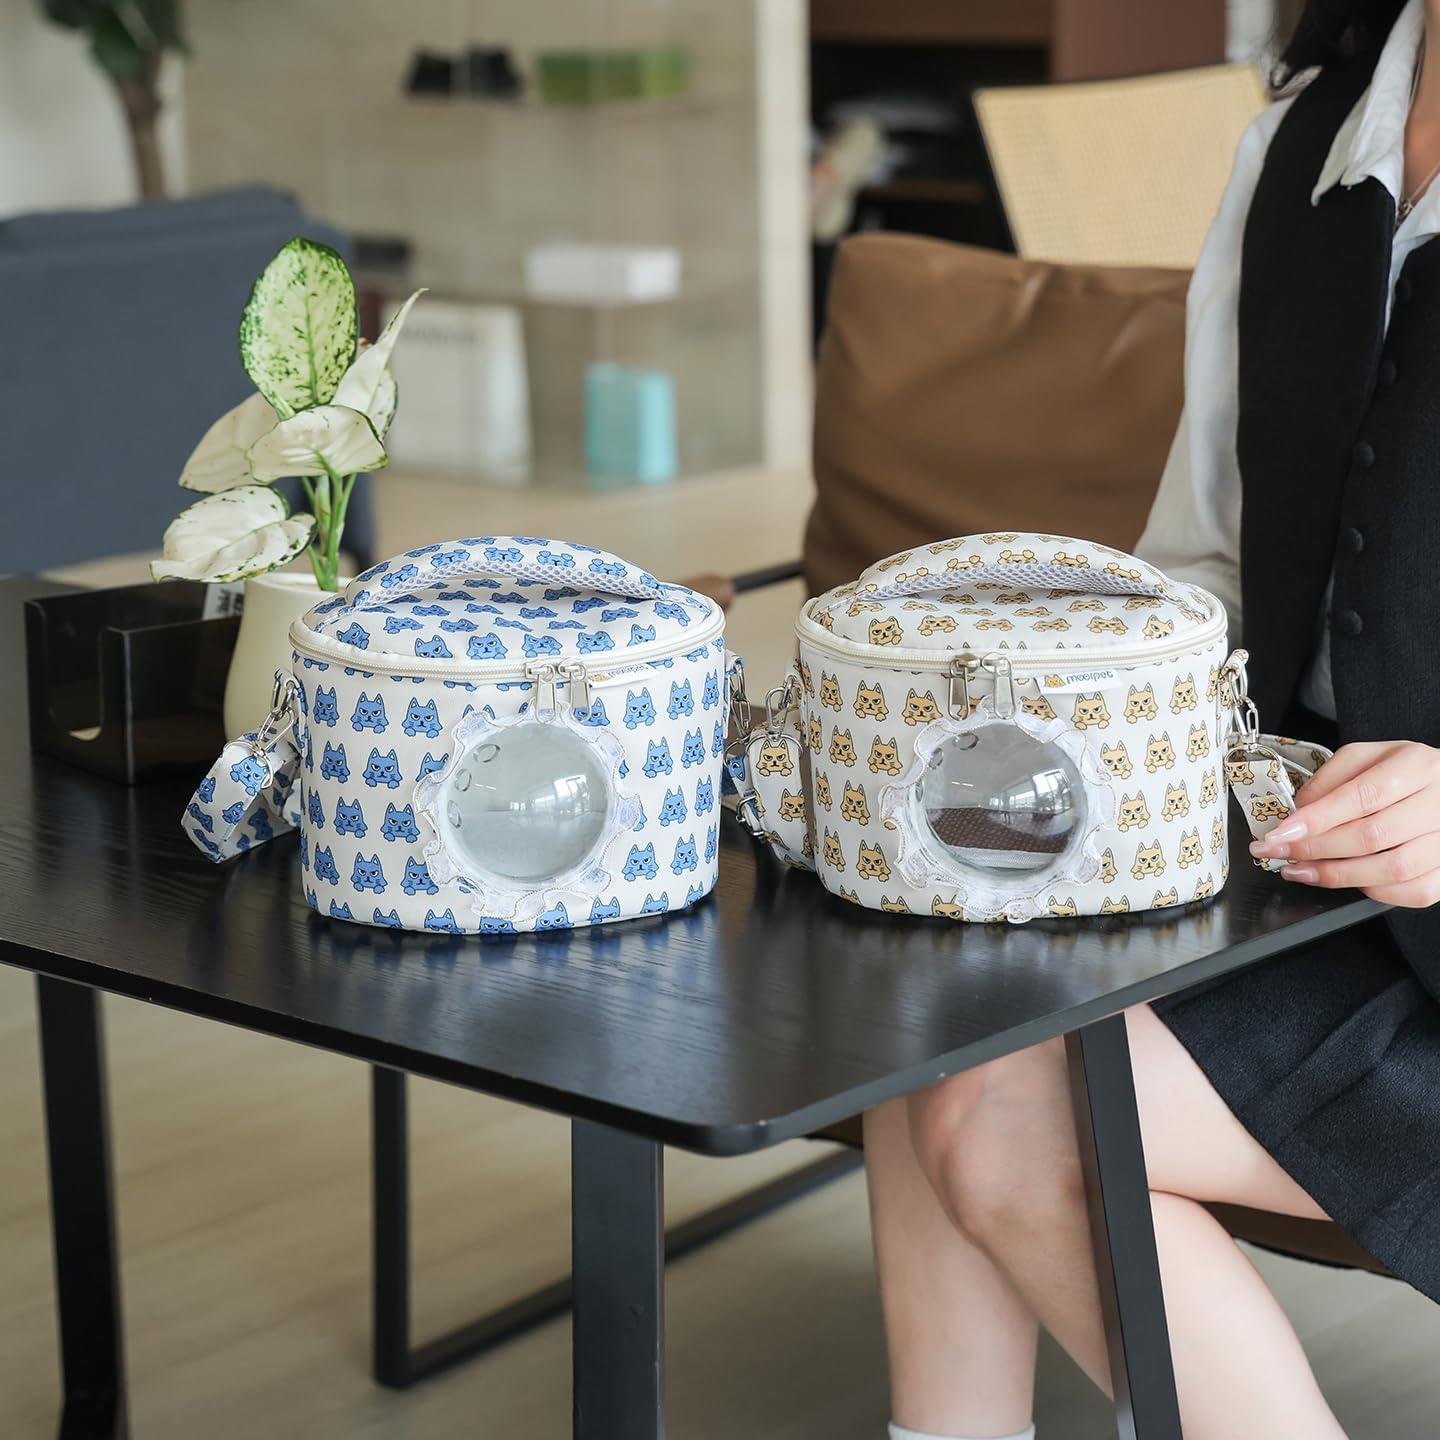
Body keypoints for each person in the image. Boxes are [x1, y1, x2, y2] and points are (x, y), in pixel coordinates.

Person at [866, 2, 1440, 1437]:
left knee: (996, 1110)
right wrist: (1046, 688)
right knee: (930, 986)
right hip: (1304, 889)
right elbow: (1206, 567)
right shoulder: (1296, 147)